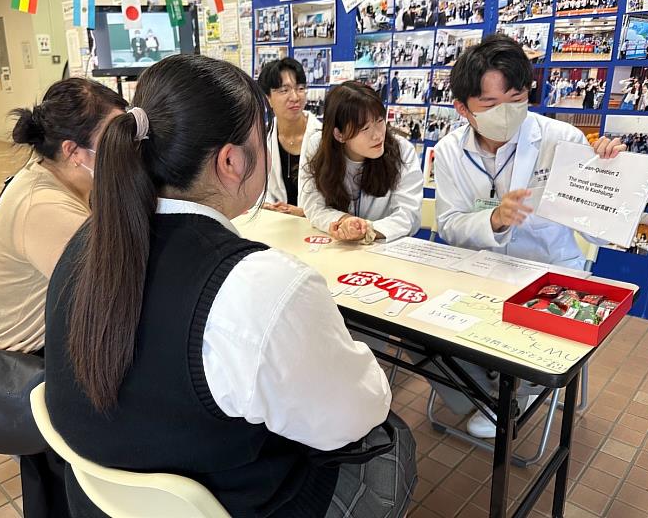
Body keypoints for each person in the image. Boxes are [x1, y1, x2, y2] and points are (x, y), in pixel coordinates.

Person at [43, 55, 416, 518]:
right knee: (393, 442)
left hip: (102, 501)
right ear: (231, 160)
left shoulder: (87, 240)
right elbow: (356, 413)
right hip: (234, 503)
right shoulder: (260, 285)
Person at [431, 35, 625, 437]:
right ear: (463, 108)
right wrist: (495, 221)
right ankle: (491, 396)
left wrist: (609, 174)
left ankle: (515, 395)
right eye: (490, 104)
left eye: (517, 97)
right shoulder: (449, 150)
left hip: (549, 272)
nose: (506, 112)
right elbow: (449, 223)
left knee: (538, 338)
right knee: (421, 334)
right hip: (481, 270)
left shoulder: (562, 140)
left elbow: (599, 227)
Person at [0, 78, 127, 518]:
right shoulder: (43, 205)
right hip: (21, 364)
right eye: (116, 138)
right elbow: (111, 292)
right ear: (74, 152)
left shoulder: (56, 180)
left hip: (38, 339)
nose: (129, 148)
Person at [299, 81, 423, 244]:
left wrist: (366, 230)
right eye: (365, 128)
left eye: (379, 121)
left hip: (385, 251)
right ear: (339, 134)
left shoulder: (402, 150)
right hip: (338, 247)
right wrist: (346, 222)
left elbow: (408, 215)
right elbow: (313, 205)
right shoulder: (318, 146)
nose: (378, 135)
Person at [257, 58, 321, 217]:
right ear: (268, 98)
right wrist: (267, 205)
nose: (294, 97)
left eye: (300, 88)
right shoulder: (261, 139)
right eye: (284, 90)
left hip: (317, 227)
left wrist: (306, 213)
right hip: (277, 225)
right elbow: (257, 189)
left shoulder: (323, 137)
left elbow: (338, 197)